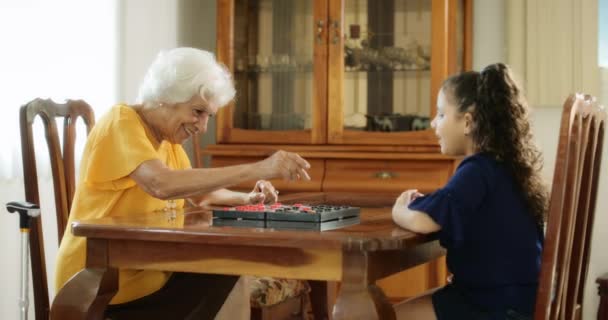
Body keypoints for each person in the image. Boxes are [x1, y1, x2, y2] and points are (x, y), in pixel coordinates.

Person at [54, 47, 311, 320]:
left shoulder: (168, 143)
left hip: (148, 273)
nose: (202, 127)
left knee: (230, 271)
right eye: (198, 112)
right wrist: (261, 167)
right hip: (102, 284)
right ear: (166, 97)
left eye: (208, 116)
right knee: (227, 275)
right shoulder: (121, 122)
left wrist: (246, 198)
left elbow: (200, 195)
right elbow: (161, 184)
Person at [391, 63, 547, 320]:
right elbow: (451, 203)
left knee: (372, 314)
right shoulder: (505, 167)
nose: (433, 123)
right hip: (518, 302)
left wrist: (399, 210)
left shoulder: (477, 170)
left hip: (493, 308)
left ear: (468, 121)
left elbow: (423, 221)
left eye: (441, 114)